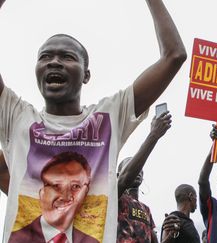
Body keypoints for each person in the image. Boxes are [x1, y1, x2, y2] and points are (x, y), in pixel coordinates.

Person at [0, 0, 186, 241]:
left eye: (67, 57)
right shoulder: (16, 117)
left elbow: (174, 55)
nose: (54, 62)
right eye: (45, 56)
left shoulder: (109, 117)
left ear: (86, 75)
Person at [9, 151, 98, 242]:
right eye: (56, 185)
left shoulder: (94, 241)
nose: (66, 196)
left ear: (86, 193)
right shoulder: (15, 239)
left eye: (75, 186)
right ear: (42, 193)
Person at [117, 112, 172, 243]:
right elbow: (124, 180)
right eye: (132, 167)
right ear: (118, 175)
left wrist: (169, 234)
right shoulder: (114, 199)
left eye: (140, 169)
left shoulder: (146, 209)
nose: (138, 171)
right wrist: (154, 135)